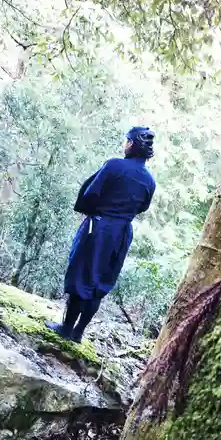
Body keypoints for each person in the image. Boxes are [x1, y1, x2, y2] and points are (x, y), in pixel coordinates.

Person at [50, 126, 156, 343]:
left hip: (98, 227)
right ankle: (78, 333)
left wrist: (98, 211)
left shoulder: (114, 166)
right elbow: (142, 207)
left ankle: (66, 329)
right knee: (101, 282)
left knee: (82, 275)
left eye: (126, 140)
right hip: (122, 233)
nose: (124, 144)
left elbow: (90, 194)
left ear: (132, 144)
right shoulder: (149, 180)